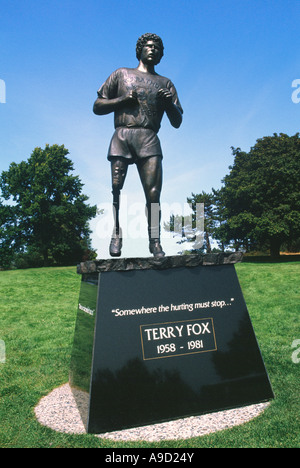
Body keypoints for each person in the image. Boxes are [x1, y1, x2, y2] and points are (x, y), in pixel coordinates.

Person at [93, 33, 183, 257]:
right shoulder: (121, 74)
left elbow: (178, 121)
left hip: (149, 138)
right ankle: (116, 233)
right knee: (116, 188)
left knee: (153, 193)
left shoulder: (165, 83)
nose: (153, 50)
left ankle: (155, 242)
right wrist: (122, 100)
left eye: (157, 48)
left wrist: (168, 104)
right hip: (123, 134)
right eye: (149, 46)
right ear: (140, 50)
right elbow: (97, 105)